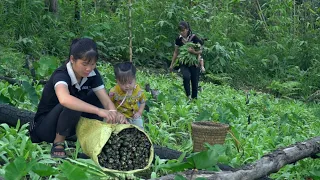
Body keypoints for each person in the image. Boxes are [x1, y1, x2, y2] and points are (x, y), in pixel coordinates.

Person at [29, 38, 127, 159]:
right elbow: (64, 99)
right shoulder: (61, 74)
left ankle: (90, 140)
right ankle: (58, 144)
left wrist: (114, 114)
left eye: (92, 64)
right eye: (84, 64)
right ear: (72, 59)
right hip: (44, 128)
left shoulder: (92, 74)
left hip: (69, 127)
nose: (89, 69)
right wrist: (98, 111)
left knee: (95, 96)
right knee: (72, 103)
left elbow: (106, 101)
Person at [169, 21, 205, 100]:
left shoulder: (194, 38)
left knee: (194, 83)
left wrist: (193, 52)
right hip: (184, 62)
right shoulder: (178, 39)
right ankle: (188, 96)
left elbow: (201, 51)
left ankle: (194, 100)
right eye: (180, 31)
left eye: (183, 30)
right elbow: (176, 52)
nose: (181, 32)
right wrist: (172, 64)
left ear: (187, 29)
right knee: (186, 77)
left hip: (194, 63)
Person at [109, 62, 146, 130]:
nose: (127, 86)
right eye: (123, 83)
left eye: (130, 82)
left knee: (139, 130)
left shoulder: (138, 91)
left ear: (135, 79)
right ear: (117, 81)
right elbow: (109, 104)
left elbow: (143, 102)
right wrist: (116, 114)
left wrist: (139, 112)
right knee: (116, 130)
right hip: (120, 116)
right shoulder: (114, 92)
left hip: (134, 116)